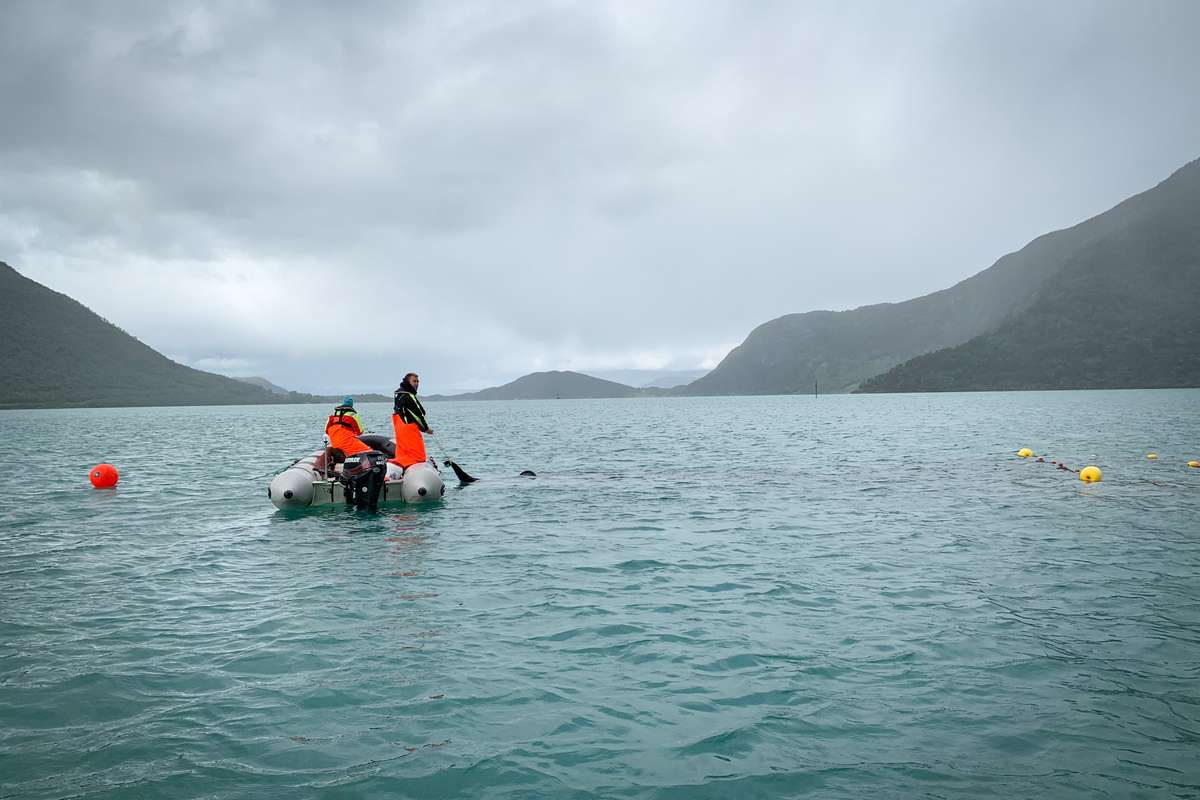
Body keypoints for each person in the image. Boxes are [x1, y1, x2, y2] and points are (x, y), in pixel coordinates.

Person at [391, 372, 431, 468]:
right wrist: (425, 428)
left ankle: (398, 466)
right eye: (414, 381)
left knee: (402, 452)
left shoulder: (398, 394)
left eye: (417, 381)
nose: (416, 383)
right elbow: (417, 415)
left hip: (399, 427)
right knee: (419, 456)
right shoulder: (408, 396)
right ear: (407, 382)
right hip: (408, 427)